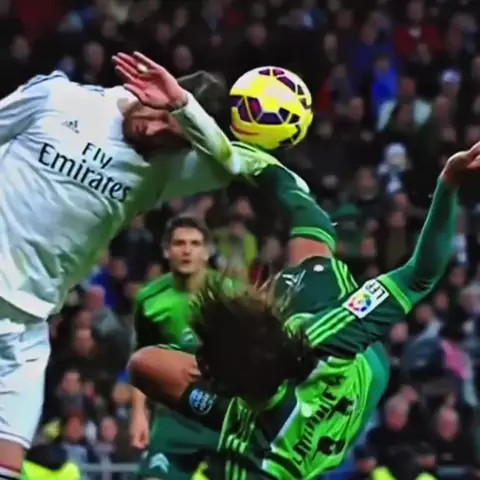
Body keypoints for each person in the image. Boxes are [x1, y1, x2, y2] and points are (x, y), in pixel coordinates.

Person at [130, 143, 480, 479]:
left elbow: (142, 364)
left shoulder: (246, 435)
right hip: (364, 372)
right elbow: (421, 275)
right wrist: (447, 185)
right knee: (310, 252)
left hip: (297, 424)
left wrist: (208, 401)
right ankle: (284, 182)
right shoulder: (326, 331)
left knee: (150, 365)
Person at [0, 50, 240, 479]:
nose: (152, 128)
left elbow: (229, 166)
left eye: (171, 133)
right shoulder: (60, 97)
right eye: (156, 114)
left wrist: (182, 107)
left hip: (27, 328)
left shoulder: (165, 171)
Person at [132, 215, 236, 479]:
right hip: (173, 416)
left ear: (207, 252)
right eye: (179, 243)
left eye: (195, 244)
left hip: (223, 413)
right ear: (166, 251)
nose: (187, 250)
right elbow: (141, 359)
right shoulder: (149, 299)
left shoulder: (232, 296)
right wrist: (139, 414)